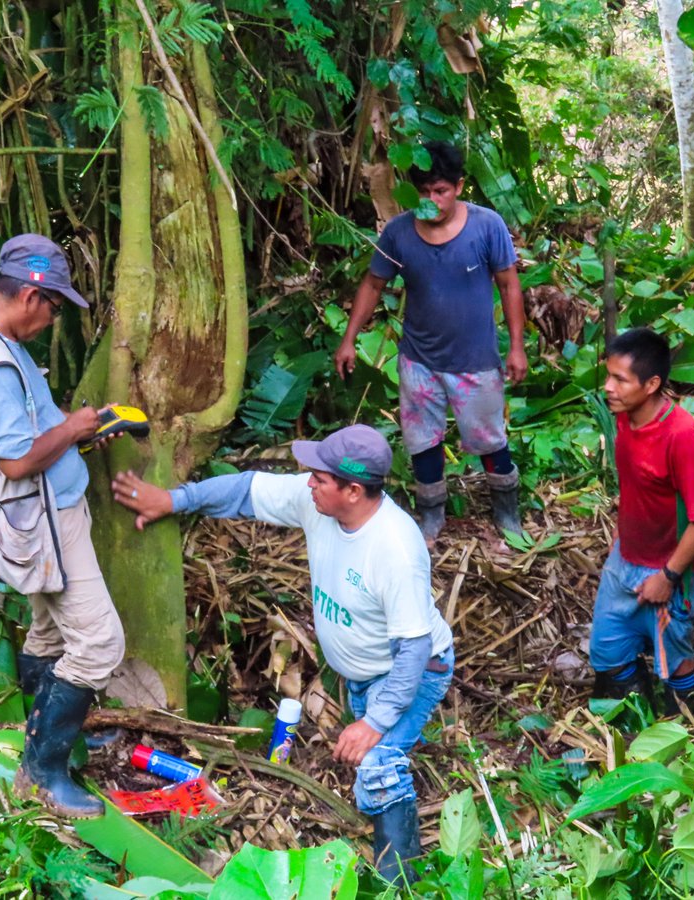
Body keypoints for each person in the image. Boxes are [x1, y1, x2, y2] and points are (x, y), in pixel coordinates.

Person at [110, 425, 454, 883]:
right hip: (366, 671)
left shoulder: (395, 548)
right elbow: (246, 489)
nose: (307, 482)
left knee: (377, 766)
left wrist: (374, 723)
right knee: (378, 754)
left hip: (411, 670)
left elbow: (415, 648)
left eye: (319, 478)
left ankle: (402, 885)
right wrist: (173, 500)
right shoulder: (320, 504)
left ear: (352, 491)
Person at [0, 234, 126, 817]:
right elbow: (15, 460)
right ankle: (42, 773)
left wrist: (76, 430)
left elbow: (19, 429)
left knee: (49, 633)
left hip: (34, 512)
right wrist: (71, 431)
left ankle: (52, 737)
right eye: (54, 306)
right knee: (98, 644)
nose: (53, 319)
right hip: (41, 516)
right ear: (28, 296)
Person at [334, 141, 528, 545]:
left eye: (440, 191)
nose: (432, 200)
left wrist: (516, 347)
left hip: (475, 359)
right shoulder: (400, 232)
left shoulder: (487, 225)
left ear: (458, 187)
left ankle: (507, 511)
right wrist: (349, 339)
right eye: (424, 192)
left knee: (490, 436)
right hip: (419, 359)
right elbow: (373, 283)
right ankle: (431, 515)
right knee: (423, 439)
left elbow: (509, 285)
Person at [589, 329, 694, 716]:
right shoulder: (625, 419)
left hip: (667, 567)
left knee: (674, 657)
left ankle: (683, 730)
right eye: (608, 376)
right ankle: (633, 726)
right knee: (607, 652)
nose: (608, 387)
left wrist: (668, 575)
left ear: (652, 384)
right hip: (625, 557)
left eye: (620, 380)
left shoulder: (681, 436)